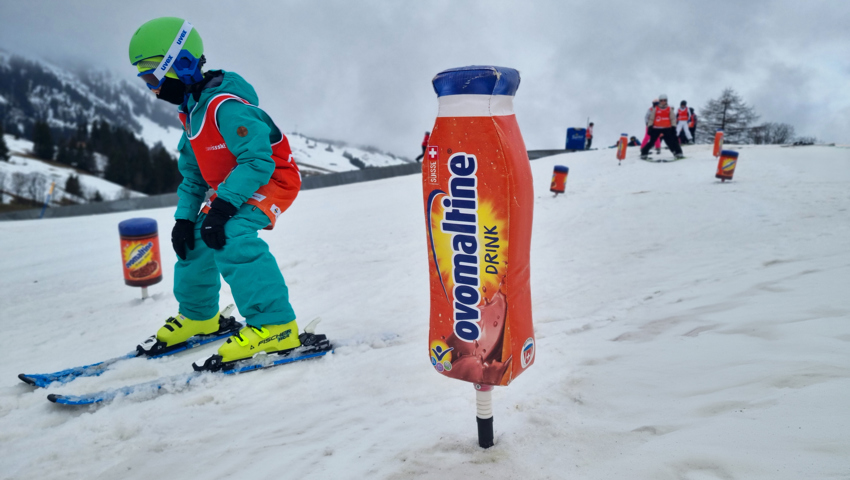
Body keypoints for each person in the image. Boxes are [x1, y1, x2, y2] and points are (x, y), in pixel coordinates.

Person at [128, 17, 304, 367]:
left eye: (153, 77)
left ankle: (276, 326)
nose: (152, 89)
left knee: (232, 233)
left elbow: (257, 162)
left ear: (182, 64)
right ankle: (199, 316)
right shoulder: (190, 113)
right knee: (195, 236)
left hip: (272, 179)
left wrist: (222, 209)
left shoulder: (226, 107)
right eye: (145, 81)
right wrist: (183, 219)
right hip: (232, 188)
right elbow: (193, 177)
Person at [640, 94, 683, 159]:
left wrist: (674, 127)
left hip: (667, 128)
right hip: (656, 128)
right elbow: (651, 118)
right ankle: (644, 153)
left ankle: (677, 152)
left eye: (664, 100)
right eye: (661, 100)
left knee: (670, 141)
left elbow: (672, 119)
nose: (663, 101)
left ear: (666, 101)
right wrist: (650, 127)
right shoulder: (656, 109)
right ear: (659, 101)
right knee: (652, 141)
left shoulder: (669, 109)